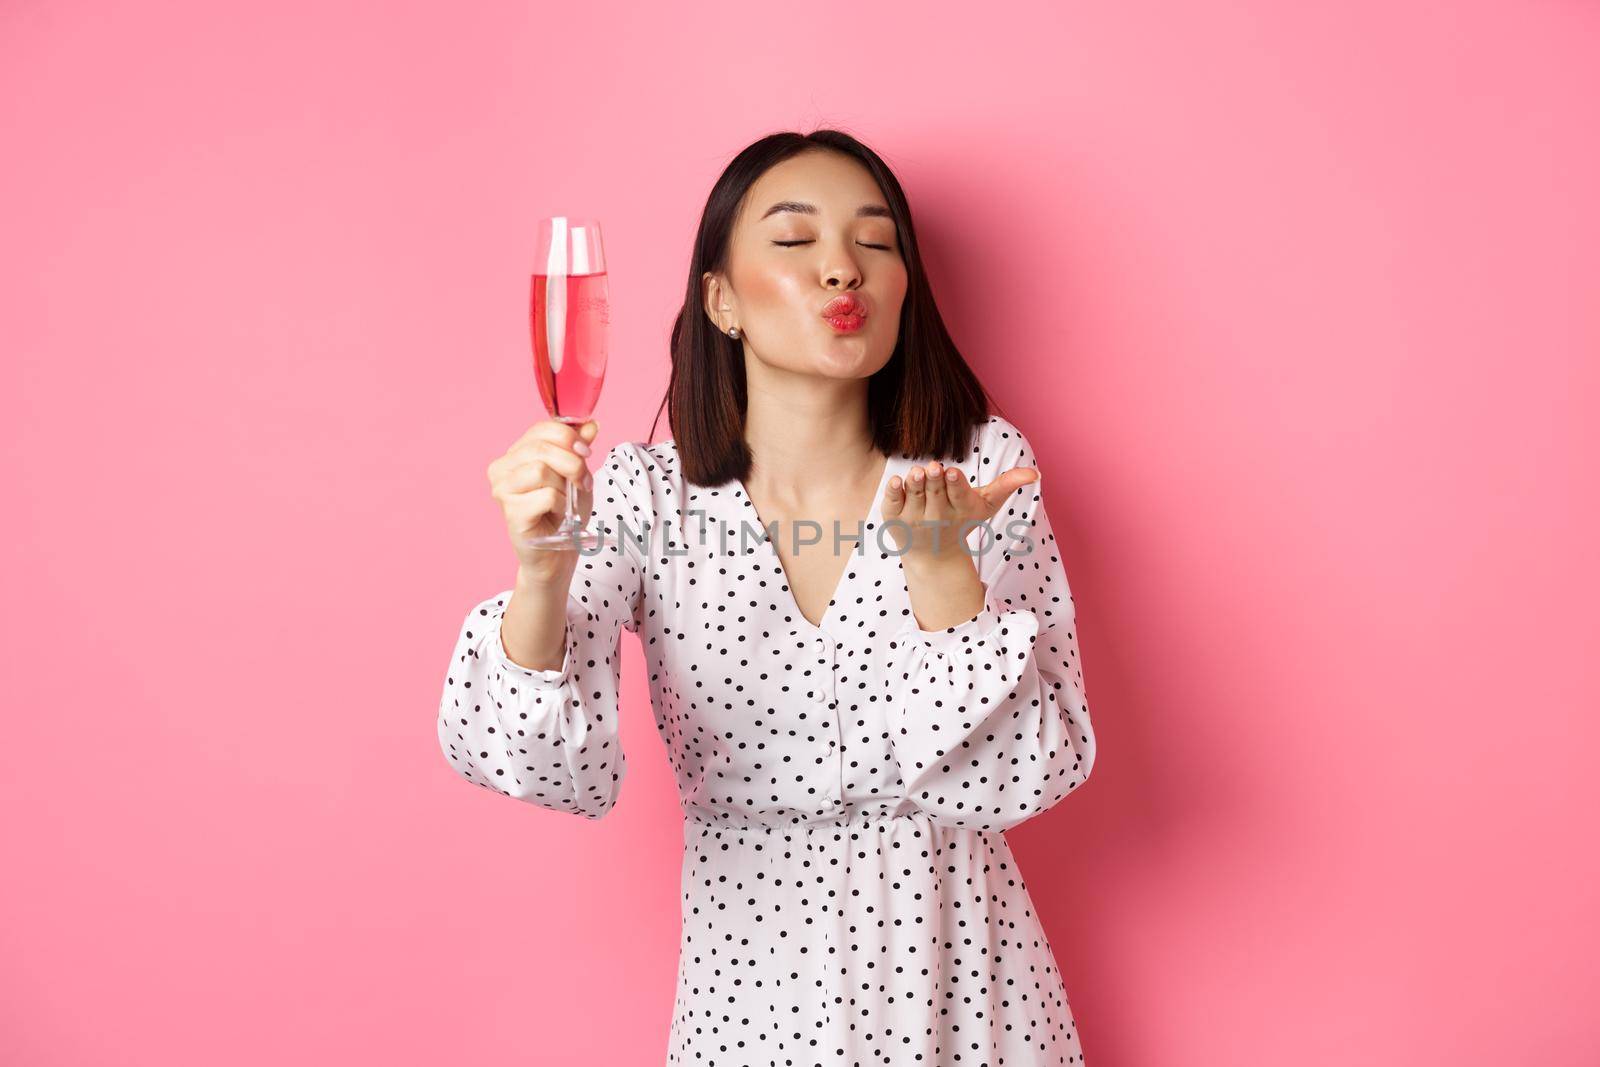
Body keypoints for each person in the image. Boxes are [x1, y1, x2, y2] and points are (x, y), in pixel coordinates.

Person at [438, 129, 1098, 1065]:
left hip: (964, 989)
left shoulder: (981, 469)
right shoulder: (641, 499)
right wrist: (542, 568)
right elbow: (539, 765)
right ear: (721, 299)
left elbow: (1034, 773)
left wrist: (945, 574)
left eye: (876, 243)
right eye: (795, 243)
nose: (842, 270)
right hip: (751, 995)